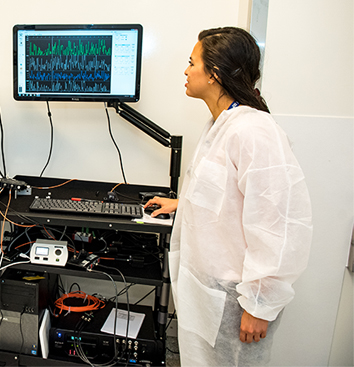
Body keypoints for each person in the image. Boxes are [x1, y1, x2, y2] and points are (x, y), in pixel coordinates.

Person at [145, 27, 312, 365]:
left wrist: (259, 304)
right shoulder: (221, 125)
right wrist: (182, 204)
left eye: (192, 63)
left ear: (214, 73)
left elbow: (279, 226)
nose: (186, 70)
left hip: (239, 303)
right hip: (211, 298)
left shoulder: (255, 131)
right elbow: (225, 195)